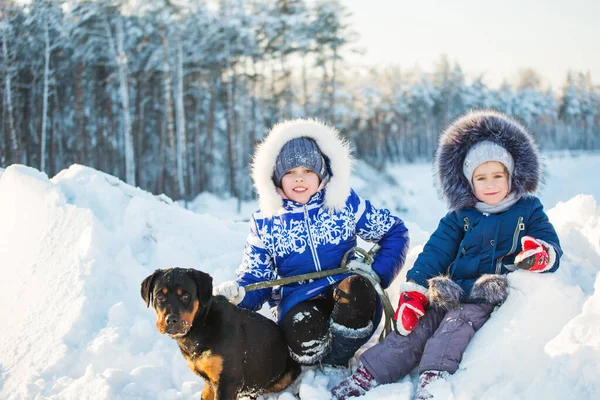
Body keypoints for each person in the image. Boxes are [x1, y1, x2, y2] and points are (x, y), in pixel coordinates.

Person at [331, 110, 563, 399]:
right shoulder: (460, 216)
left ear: (511, 175)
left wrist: (540, 254)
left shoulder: (527, 208)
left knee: (453, 329)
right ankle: (369, 374)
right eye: (481, 178)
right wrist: (415, 291)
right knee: (416, 330)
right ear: (469, 182)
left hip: (486, 294)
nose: (490, 184)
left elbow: (549, 241)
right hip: (452, 290)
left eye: (497, 176)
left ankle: (432, 379)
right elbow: (436, 252)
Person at [213, 118, 409, 367]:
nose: (299, 179)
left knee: (358, 290)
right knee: (302, 328)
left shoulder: (343, 203)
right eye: (290, 172)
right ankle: (315, 357)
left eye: (308, 171)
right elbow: (256, 280)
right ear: (276, 177)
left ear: (321, 174)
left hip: (347, 295)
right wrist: (240, 294)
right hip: (299, 301)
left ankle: (339, 359)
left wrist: (376, 274)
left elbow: (395, 231)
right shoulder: (266, 222)